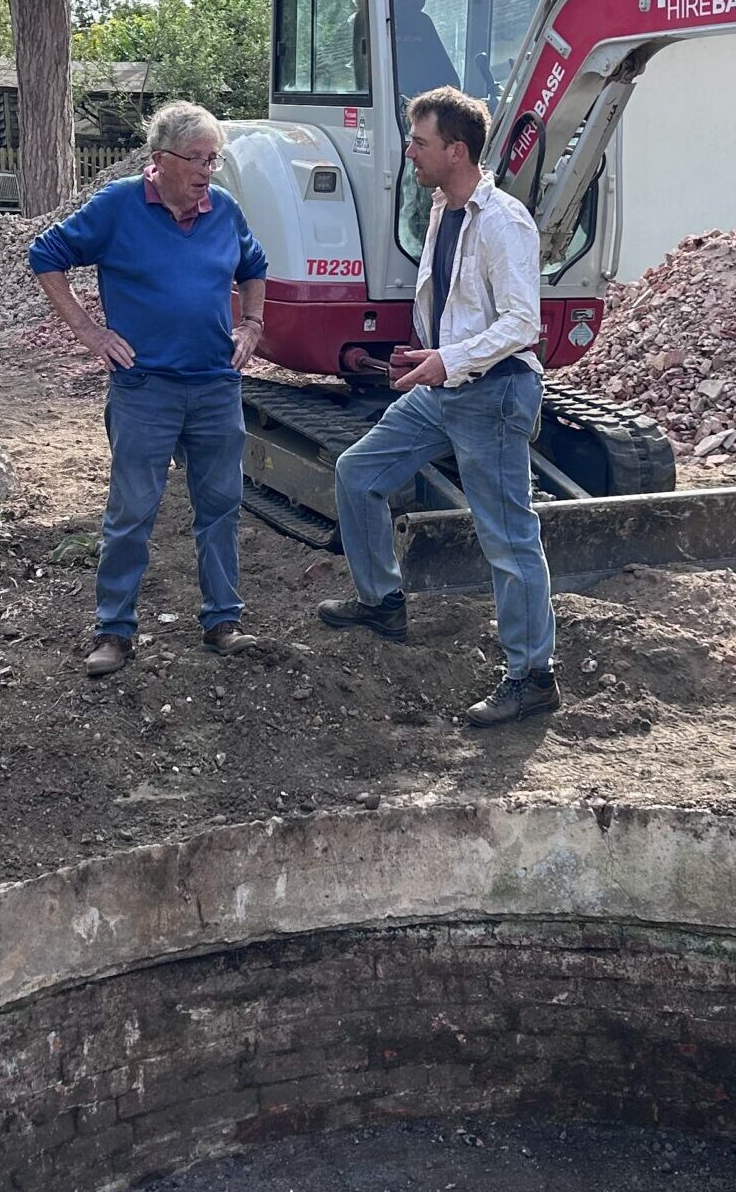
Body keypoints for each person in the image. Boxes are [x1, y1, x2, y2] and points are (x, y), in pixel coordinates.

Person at [318, 86, 558, 728]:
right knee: (358, 474)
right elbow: (460, 305)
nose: (410, 152)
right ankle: (382, 601)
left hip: (495, 391)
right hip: (444, 387)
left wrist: (449, 360)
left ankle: (533, 675)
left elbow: (520, 324)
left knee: (506, 537)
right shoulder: (441, 209)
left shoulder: (503, 220)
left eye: (419, 142)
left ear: (455, 150)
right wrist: (427, 352)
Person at [28, 101, 269, 677]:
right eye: (198, 159)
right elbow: (46, 254)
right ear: (160, 160)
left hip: (215, 385)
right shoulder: (118, 206)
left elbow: (254, 265)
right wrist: (89, 330)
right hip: (145, 388)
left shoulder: (225, 210)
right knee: (132, 510)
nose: (209, 170)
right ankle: (114, 631)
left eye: (215, 158)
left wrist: (253, 324)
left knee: (220, 509)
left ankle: (223, 622)